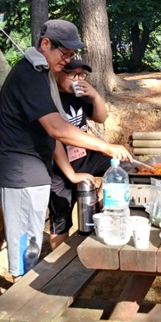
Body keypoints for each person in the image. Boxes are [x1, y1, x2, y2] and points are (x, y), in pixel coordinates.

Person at [0, 19, 132, 281]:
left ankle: (26, 299)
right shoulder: (28, 75)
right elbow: (57, 128)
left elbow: (61, 129)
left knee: (31, 246)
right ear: (45, 44)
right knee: (25, 254)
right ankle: (20, 308)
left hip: (34, 172)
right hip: (20, 174)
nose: (67, 60)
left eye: (72, 54)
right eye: (65, 53)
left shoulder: (40, 73)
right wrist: (105, 146)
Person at [48, 59, 113, 250]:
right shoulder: (50, 100)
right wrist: (71, 175)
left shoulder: (79, 94)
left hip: (83, 156)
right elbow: (54, 141)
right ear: (57, 73)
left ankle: (100, 204)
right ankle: (58, 263)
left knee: (120, 164)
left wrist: (94, 95)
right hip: (59, 165)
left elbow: (101, 117)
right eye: (72, 75)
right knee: (61, 216)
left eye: (82, 75)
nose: (78, 79)